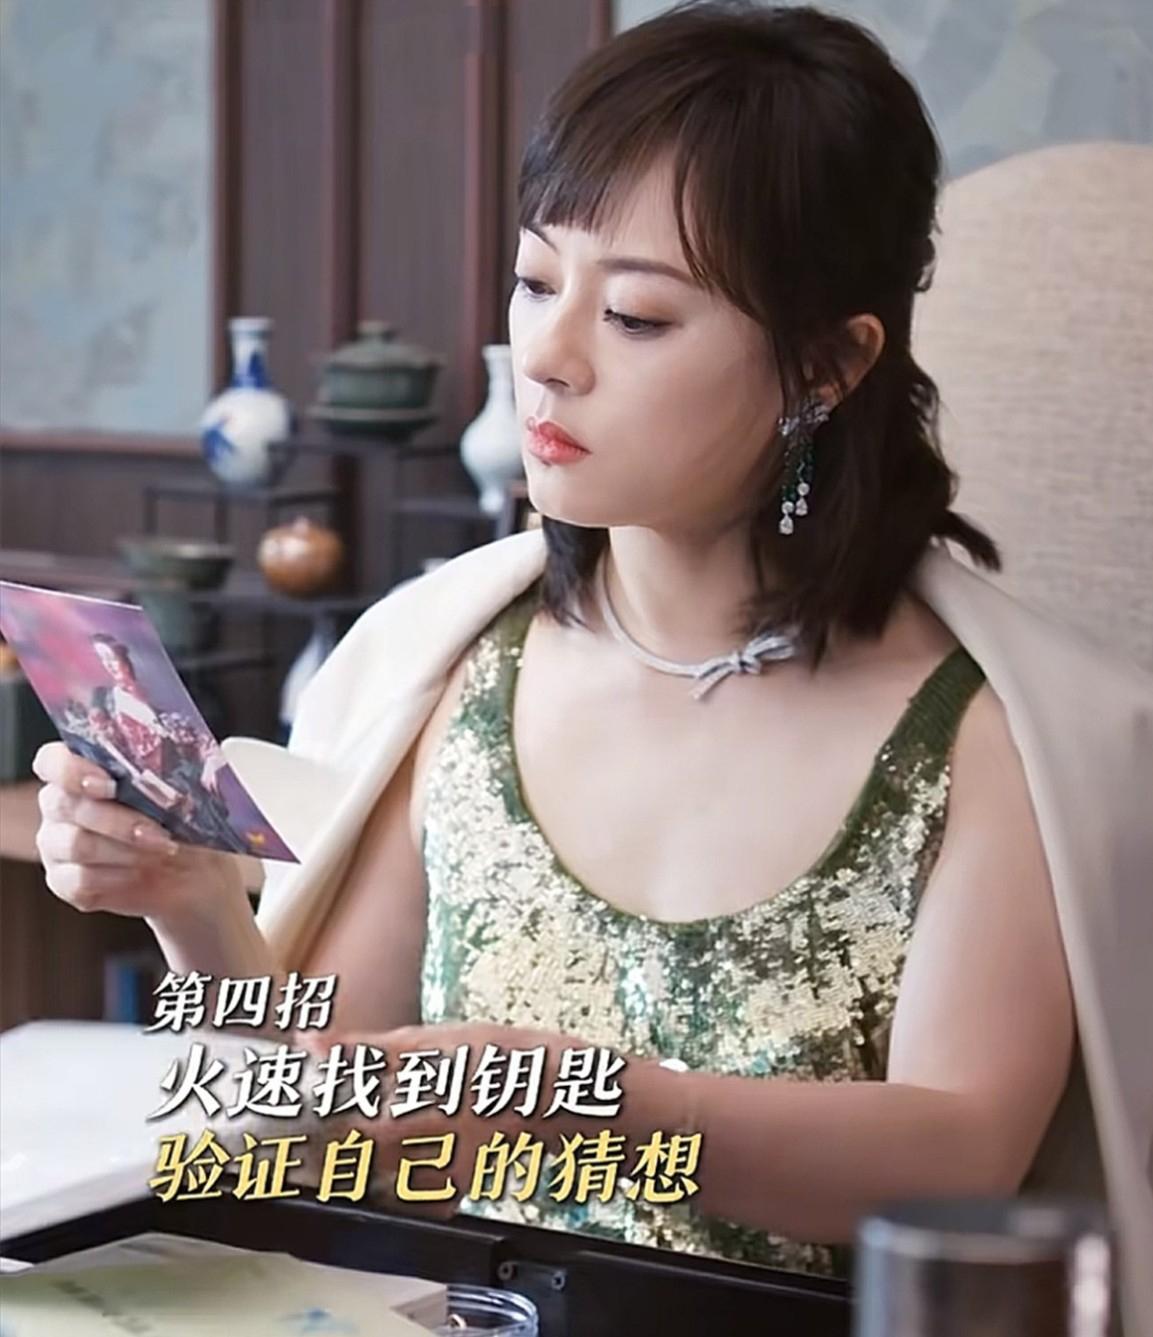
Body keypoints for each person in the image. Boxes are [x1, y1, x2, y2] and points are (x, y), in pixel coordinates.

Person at [32, 3, 1152, 1330]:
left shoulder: (984, 729)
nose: (549, 360)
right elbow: (324, 1115)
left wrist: (589, 1104)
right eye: (533, 282)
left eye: (634, 314)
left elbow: (959, 1154)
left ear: (827, 364)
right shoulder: (459, 664)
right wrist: (194, 907)